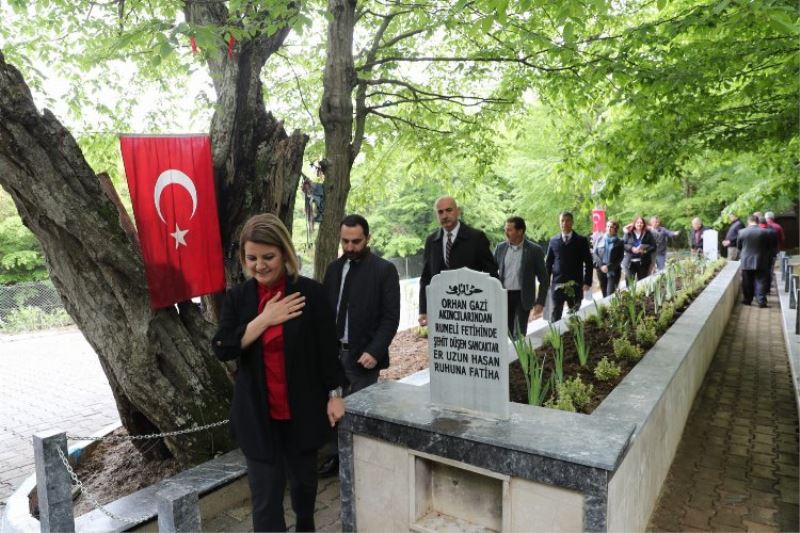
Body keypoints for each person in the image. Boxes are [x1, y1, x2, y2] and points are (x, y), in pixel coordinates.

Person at [212, 213, 345, 532]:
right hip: (258, 418)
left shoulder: (309, 294)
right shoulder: (239, 298)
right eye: (251, 257)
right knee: (265, 500)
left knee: (304, 490)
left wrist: (335, 395)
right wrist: (264, 319)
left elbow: (327, 350)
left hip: (301, 412)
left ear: (284, 252)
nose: (259, 265)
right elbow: (222, 347)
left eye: (268, 257)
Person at [318, 214, 400, 476]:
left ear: (367, 238)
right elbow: (325, 312)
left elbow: (390, 317)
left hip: (363, 357)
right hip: (334, 355)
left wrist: (375, 351)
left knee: (360, 413)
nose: (350, 247)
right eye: (345, 241)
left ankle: (362, 464)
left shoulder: (384, 270)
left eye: (356, 241)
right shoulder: (333, 269)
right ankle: (338, 458)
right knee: (333, 409)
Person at [418, 196, 498, 326]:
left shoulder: (476, 238)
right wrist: (423, 310)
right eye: (440, 212)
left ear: (458, 211)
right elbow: (426, 277)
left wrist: (492, 305)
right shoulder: (431, 241)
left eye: (449, 210)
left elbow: (492, 273)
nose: (444, 215)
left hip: (473, 310)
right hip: (441, 311)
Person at [494, 216, 549, 337]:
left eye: (509, 229)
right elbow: (492, 272)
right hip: (504, 297)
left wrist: (540, 302)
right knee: (506, 333)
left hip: (523, 298)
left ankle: (521, 356)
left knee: (518, 334)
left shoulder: (534, 250)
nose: (505, 232)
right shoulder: (500, 248)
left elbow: (544, 279)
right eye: (505, 229)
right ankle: (513, 355)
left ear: (520, 231)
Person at [545, 211, 593, 322]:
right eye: (562, 220)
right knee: (555, 316)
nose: (565, 223)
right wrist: (546, 282)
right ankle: (556, 338)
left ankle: (575, 337)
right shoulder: (553, 241)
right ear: (559, 223)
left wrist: (587, 282)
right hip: (557, 284)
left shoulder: (581, 240)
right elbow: (548, 263)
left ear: (572, 222)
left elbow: (589, 262)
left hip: (575, 284)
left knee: (575, 316)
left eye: (567, 220)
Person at [737, 214, 774, 308]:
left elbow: (739, 246)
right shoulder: (765, 232)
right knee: (761, 281)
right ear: (757, 221)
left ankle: (747, 300)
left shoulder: (742, 232)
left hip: (746, 260)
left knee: (747, 281)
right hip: (761, 260)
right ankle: (761, 301)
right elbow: (769, 247)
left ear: (748, 221)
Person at [592, 219, 624, 297]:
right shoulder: (600, 239)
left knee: (611, 294)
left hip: (613, 270)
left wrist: (609, 267)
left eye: (612, 227)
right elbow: (595, 253)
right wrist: (601, 266)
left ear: (615, 229)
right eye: (608, 226)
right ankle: (606, 309)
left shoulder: (619, 242)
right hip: (601, 270)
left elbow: (620, 257)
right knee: (604, 292)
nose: (609, 228)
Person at [622, 215, 656, 281]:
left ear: (644, 224)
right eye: (637, 222)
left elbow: (653, 246)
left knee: (642, 283)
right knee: (630, 284)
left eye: (641, 223)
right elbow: (623, 244)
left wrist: (644, 250)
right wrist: (631, 248)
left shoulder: (648, 233)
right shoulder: (628, 232)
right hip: (629, 262)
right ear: (634, 223)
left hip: (643, 262)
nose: (639, 224)